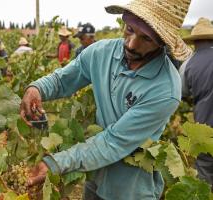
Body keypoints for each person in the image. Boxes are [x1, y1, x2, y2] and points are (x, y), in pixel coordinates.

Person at [20, 0, 192, 199]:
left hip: (129, 190)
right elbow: (62, 80)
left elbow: (113, 142)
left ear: (163, 42)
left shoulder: (165, 90)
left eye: (146, 38)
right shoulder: (101, 52)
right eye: (129, 29)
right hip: (95, 175)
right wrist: (36, 88)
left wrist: (55, 163)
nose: (131, 43)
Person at [179, 17, 213, 189]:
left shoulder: (187, 65)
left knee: (205, 174)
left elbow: (183, 94)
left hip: (204, 129)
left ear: (194, 42)